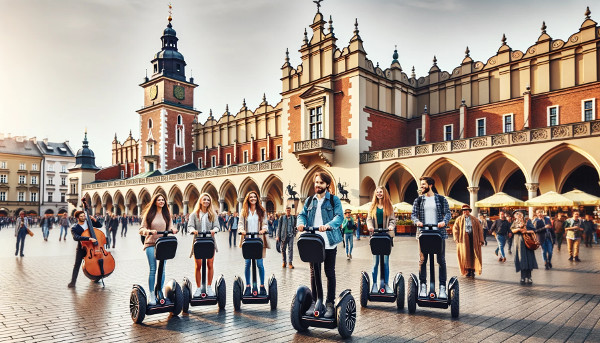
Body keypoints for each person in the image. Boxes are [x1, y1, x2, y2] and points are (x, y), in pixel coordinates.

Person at [297, 172, 344, 318]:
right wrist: (300, 223)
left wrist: (328, 225)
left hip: (329, 241)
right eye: (316, 182)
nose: (318, 185)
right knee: (314, 272)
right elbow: (302, 214)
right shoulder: (310, 200)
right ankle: (315, 301)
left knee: (329, 272)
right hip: (313, 240)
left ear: (327, 185)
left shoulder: (334, 200)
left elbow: (339, 217)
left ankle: (329, 303)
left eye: (321, 183)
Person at [411, 176, 451, 299]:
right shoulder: (418, 200)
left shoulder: (440, 199)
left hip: (439, 233)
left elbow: (448, 213)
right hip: (423, 233)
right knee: (423, 261)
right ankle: (423, 286)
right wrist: (417, 221)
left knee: (441, 260)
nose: (421, 187)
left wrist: (444, 222)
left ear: (430, 185)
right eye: (421, 185)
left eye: (423, 184)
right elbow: (413, 215)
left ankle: (442, 288)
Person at [139, 194, 178, 305]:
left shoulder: (166, 214)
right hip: (151, 244)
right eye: (159, 200)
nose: (161, 201)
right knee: (153, 269)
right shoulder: (149, 214)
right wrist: (149, 231)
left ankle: (159, 291)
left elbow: (170, 226)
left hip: (163, 244)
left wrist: (173, 230)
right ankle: (151, 294)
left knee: (162, 268)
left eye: (163, 200)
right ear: (155, 202)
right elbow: (141, 229)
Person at [238, 191, 270, 296]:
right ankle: (248, 286)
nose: (253, 198)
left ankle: (261, 286)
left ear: (257, 199)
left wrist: (263, 230)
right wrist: (242, 230)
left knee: (260, 264)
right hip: (247, 241)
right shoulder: (244, 211)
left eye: (254, 197)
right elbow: (241, 224)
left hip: (258, 241)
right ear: (248, 199)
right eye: (251, 197)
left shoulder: (261, 211)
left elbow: (265, 224)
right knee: (247, 264)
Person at [187, 192, 220, 297]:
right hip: (198, 242)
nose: (206, 201)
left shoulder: (213, 214)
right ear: (200, 201)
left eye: (208, 200)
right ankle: (198, 288)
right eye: (204, 199)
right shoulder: (194, 214)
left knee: (210, 264)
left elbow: (217, 226)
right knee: (198, 266)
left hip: (210, 242)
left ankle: (209, 287)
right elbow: (190, 226)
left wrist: (214, 230)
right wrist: (193, 230)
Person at [366, 186, 396, 292]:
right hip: (376, 236)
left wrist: (391, 226)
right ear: (375, 193)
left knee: (386, 262)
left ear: (384, 193)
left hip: (386, 235)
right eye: (377, 192)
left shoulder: (389, 205)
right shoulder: (372, 206)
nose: (379, 194)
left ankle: (386, 284)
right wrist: (370, 227)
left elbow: (392, 219)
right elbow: (369, 219)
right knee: (375, 262)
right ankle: (374, 284)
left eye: (381, 192)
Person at [67, 210, 103, 288]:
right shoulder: (74, 227)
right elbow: (76, 237)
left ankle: (96, 277)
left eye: (84, 216)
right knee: (77, 265)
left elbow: (100, 226)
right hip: (81, 247)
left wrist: (94, 219)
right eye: (81, 216)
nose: (83, 217)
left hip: (93, 247)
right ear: (77, 218)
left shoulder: (89, 223)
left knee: (96, 262)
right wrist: (89, 238)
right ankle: (73, 282)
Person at [453, 204, 484, 278]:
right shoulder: (459, 219)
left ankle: (472, 270)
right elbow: (455, 229)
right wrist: (456, 238)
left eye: (466, 210)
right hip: (463, 239)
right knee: (465, 255)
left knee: (474, 254)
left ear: (469, 211)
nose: (465, 212)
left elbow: (480, 229)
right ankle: (467, 270)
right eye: (463, 210)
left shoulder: (474, 219)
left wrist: (481, 240)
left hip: (473, 238)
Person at [511, 212, 538, 284]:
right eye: (516, 215)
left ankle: (529, 277)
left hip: (527, 244)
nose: (518, 216)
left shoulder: (527, 221)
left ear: (522, 215)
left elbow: (534, 230)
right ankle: (522, 277)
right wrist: (519, 229)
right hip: (519, 245)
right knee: (521, 260)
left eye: (519, 214)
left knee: (529, 260)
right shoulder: (515, 222)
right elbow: (512, 230)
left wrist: (526, 231)